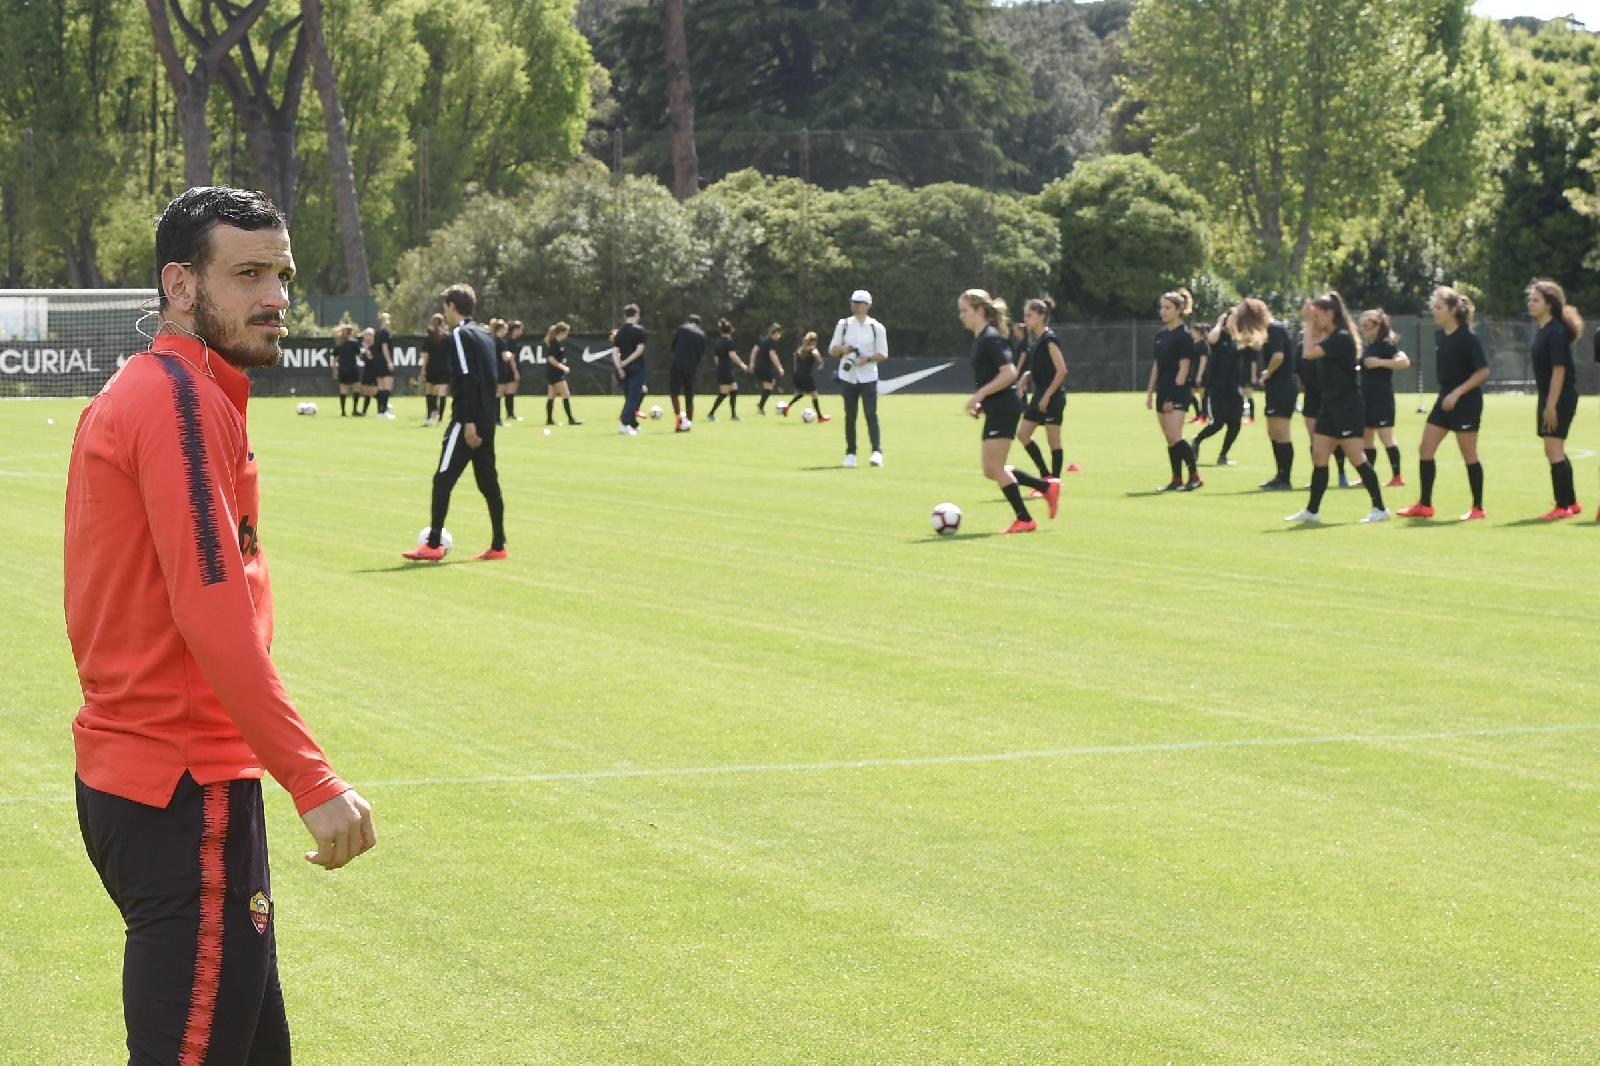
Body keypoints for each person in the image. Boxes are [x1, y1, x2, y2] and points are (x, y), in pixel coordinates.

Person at [64, 186, 375, 1065]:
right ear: (180, 284)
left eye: (280, 273)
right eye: (246, 274)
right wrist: (311, 779)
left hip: (164, 778)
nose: (275, 295)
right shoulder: (173, 399)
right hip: (181, 786)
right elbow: (212, 613)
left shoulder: (170, 390)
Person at [403, 283, 509, 560]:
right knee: (489, 483)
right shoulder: (486, 334)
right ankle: (499, 546)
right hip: (487, 418)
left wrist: (468, 421)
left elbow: (465, 377)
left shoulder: (460, 335)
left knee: (443, 479)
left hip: (467, 421)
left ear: (451, 307)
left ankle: (434, 543)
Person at [1282, 292, 1391, 524]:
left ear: (1330, 314)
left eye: (1319, 315)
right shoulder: (1331, 336)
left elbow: (1308, 353)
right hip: (1329, 404)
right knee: (1319, 455)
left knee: (1356, 458)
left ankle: (1380, 508)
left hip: (1347, 406)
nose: (1315, 320)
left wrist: (1309, 323)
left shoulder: (1341, 338)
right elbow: (1308, 353)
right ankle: (1312, 511)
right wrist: (1311, 322)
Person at [958, 288, 1060, 533]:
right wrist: (984, 402)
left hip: (1005, 407)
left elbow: (1009, 373)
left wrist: (980, 395)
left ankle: (1025, 519)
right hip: (998, 406)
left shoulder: (990, 338)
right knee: (990, 469)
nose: (961, 316)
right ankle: (1046, 487)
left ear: (980, 311)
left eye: (964, 310)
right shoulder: (981, 337)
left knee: (994, 468)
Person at [1397, 286, 1491, 521]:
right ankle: (1425, 504)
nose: (1434, 311)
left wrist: (1457, 394)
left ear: (1452, 310)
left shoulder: (1468, 337)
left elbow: (1483, 372)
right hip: (1445, 397)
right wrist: (1448, 395)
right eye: (1433, 307)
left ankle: (1478, 508)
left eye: (1439, 307)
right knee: (1425, 448)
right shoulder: (1440, 336)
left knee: (1468, 453)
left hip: (1466, 400)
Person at [1526, 279, 1584, 520]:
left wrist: (1551, 406)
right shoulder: (1544, 329)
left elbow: (1559, 371)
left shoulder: (1556, 331)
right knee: (1554, 449)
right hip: (1550, 395)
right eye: (1530, 299)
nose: (1530, 303)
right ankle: (1571, 502)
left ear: (1549, 304)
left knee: (1554, 448)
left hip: (1559, 396)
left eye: (1536, 300)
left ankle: (1563, 507)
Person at [1144, 287, 1202, 492]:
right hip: (1162, 390)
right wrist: (1150, 393)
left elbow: (1183, 369)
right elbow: (1157, 366)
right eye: (1161, 308)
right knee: (1169, 439)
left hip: (1177, 392)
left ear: (1179, 310)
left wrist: (1170, 396)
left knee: (1175, 435)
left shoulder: (1184, 336)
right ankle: (1176, 478)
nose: (1163, 311)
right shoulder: (1160, 335)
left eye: (1168, 308)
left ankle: (1195, 476)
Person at [829, 288, 888, 467]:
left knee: (871, 414)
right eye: (853, 302)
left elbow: (883, 354)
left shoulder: (876, 327)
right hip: (848, 376)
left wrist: (867, 359)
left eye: (858, 302)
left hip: (868, 376)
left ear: (867, 306)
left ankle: (876, 451)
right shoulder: (844, 324)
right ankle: (851, 453)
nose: (854, 305)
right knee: (850, 416)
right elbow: (832, 349)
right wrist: (843, 349)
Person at [1016, 296, 1068, 482]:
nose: (1025, 319)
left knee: (1053, 442)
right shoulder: (1036, 341)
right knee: (1023, 435)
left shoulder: (1049, 339)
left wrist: (1046, 396)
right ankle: (1045, 476)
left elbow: (1061, 370)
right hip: (1039, 396)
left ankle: (1055, 481)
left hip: (1052, 397)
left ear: (1041, 316)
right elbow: (1042, 367)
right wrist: (1026, 376)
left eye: (1029, 315)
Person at [1357, 308, 1409, 486]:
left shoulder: (1385, 345)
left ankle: (1397, 477)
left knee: (1386, 437)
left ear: (1378, 326)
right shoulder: (1367, 347)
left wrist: (1380, 362)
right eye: (1361, 326)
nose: (1363, 330)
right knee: (1366, 437)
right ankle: (1367, 477)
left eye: (1367, 326)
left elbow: (1404, 361)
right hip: (1366, 398)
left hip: (1382, 399)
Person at [1253, 302, 1298, 490]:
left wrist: (1267, 372)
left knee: (1281, 432)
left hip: (1282, 386)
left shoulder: (1275, 329)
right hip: (1275, 387)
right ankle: (1279, 475)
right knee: (1273, 432)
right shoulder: (1268, 331)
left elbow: (1278, 356)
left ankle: (1285, 478)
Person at [1193, 306, 1245, 466]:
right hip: (1217, 388)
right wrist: (1220, 322)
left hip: (1234, 389)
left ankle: (1223, 455)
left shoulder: (1238, 338)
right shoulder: (1219, 335)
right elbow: (1210, 339)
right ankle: (1196, 441)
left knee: (1235, 424)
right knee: (1218, 423)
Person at [612, 303, 649, 435]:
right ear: (636, 315)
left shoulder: (620, 332)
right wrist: (626, 362)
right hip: (637, 367)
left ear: (625, 316)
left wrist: (620, 367)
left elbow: (615, 352)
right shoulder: (639, 330)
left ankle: (633, 424)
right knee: (634, 397)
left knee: (630, 397)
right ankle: (624, 425)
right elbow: (639, 350)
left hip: (624, 369)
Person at [669, 313, 707, 429]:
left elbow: (673, 346)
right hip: (691, 367)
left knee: (674, 392)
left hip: (677, 364)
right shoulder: (701, 334)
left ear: (688, 321)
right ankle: (689, 421)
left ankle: (678, 418)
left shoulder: (681, 329)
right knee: (689, 394)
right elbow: (700, 354)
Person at [782, 331, 831, 422]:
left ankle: (787, 406)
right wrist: (820, 362)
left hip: (797, 376)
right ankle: (820, 417)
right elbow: (816, 354)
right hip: (806, 376)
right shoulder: (812, 348)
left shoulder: (800, 349)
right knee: (814, 395)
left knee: (803, 393)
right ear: (814, 341)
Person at [705, 318, 746, 421]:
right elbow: (732, 355)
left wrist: (720, 368)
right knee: (725, 392)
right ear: (730, 330)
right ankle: (712, 414)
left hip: (721, 369)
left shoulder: (718, 341)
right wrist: (742, 364)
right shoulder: (729, 342)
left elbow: (716, 358)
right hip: (726, 369)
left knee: (732, 389)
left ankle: (732, 415)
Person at [544, 320, 582, 426]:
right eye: (566, 333)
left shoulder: (555, 343)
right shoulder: (555, 344)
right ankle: (571, 419)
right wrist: (562, 367)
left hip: (551, 373)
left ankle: (549, 419)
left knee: (551, 396)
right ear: (562, 332)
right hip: (555, 373)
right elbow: (551, 359)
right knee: (566, 394)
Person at [419, 312, 451, 425]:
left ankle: (429, 417)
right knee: (442, 394)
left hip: (432, 367)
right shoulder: (447, 337)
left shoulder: (429, 338)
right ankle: (440, 419)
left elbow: (425, 356)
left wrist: (423, 371)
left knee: (430, 392)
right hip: (445, 368)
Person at [750, 323, 785, 414]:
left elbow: (754, 351)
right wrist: (780, 368)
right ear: (775, 333)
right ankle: (760, 406)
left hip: (758, 366)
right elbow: (773, 355)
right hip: (765, 367)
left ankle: (760, 405)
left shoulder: (762, 340)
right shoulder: (771, 342)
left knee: (770, 384)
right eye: (778, 334)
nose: (779, 336)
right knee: (769, 387)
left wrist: (752, 363)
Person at [331, 322, 360, 415]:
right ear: (350, 332)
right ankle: (354, 410)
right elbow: (359, 354)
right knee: (356, 388)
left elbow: (334, 360)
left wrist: (335, 371)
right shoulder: (354, 343)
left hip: (342, 369)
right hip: (352, 368)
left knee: (343, 390)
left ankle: (343, 411)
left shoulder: (338, 344)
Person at [374, 310, 396, 419]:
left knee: (380, 388)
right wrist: (389, 361)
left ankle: (380, 411)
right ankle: (385, 411)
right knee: (387, 387)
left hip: (377, 362)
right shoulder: (385, 333)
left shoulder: (377, 333)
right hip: (383, 361)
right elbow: (384, 348)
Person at [502, 320, 525, 422]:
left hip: (507, 368)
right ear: (515, 330)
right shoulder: (511, 342)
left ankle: (510, 413)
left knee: (508, 392)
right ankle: (510, 413)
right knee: (510, 391)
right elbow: (512, 358)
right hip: (511, 368)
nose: (521, 332)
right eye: (520, 329)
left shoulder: (508, 340)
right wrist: (515, 371)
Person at [356, 325, 379, 415]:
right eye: (365, 335)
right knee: (366, 391)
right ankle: (364, 411)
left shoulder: (375, 346)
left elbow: (370, 357)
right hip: (367, 369)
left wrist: (366, 348)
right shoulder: (365, 346)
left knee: (375, 391)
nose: (366, 337)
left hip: (374, 370)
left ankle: (382, 408)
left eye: (369, 335)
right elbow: (363, 359)